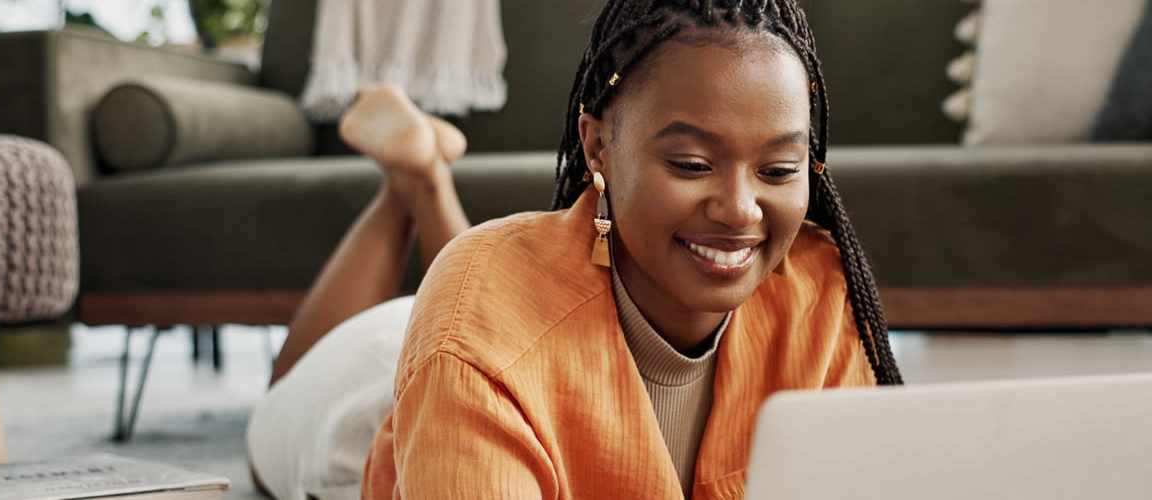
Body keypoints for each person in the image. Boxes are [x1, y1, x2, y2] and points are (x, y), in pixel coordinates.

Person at [249, 0, 902, 498]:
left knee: (487, 295)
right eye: (691, 162)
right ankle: (414, 183)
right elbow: (477, 331)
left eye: (779, 171)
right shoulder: (472, 339)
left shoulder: (818, 289)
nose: (739, 210)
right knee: (290, 387)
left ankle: (419, 177)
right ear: (597, 147)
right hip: (365, 409)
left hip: (510, 325)